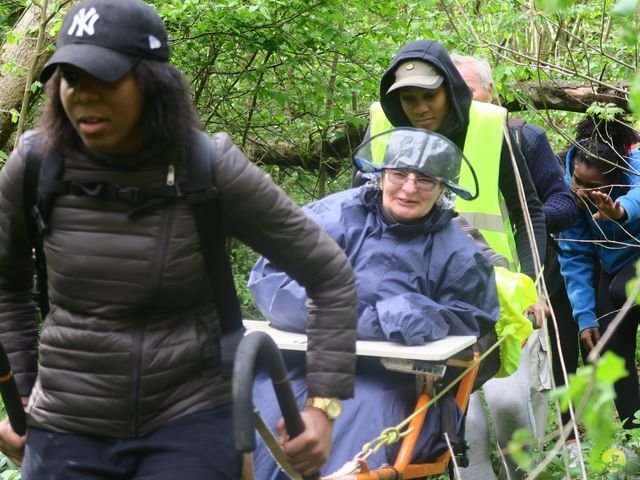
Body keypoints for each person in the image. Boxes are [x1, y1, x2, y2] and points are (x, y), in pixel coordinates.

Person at [0, 0, 358, 478]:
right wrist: (21, 394)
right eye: (70, 77)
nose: (83, 95)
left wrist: (322, 405)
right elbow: (6, 285)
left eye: (103, 78)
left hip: (189, 416)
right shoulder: (36, 168)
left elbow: (329, 273)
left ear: (153, 83)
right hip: (67, 422)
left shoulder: (207, 167)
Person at [249, 128, 501, 478]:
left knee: (356, 423)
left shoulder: (458, 254)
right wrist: (366, 317)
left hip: (393, 382)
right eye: (399, 174)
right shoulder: (332, 216)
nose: (409, 188)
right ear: (381, 175)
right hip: (298, 363)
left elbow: (473, 323)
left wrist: (409, 318)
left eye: (425, 179)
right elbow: (270, 280)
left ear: (444, 187)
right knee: (252, 402)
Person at [452, 54, 579, 479]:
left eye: (469, 93)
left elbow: (562, 203)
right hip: (449, 295)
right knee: (463, 418)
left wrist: (528, 219)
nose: (460, 104)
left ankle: (523, 472)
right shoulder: (422, 138)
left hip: (515, 290)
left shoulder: (523, 138)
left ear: (492, 93)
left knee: (511, 405)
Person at [366, 40, 547, 322]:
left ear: (449, 90)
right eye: (409, 99)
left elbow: (528, 213)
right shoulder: (382, 126)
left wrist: (530, 286)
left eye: (430, 96)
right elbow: (356, 212)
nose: (420, 108)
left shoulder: (488, 127)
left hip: (486, 288)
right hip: (396, 288)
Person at [557, 114, 640, 431]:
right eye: (576, 181)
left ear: (615, 177)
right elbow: (574, 253)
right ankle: (635, 432)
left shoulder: (634, 161)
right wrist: (585, 315)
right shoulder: (572, 187)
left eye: (592, 187)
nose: (580, 190)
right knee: (604, 343)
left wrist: (619, 211)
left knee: (621, 291)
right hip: (614, 265)